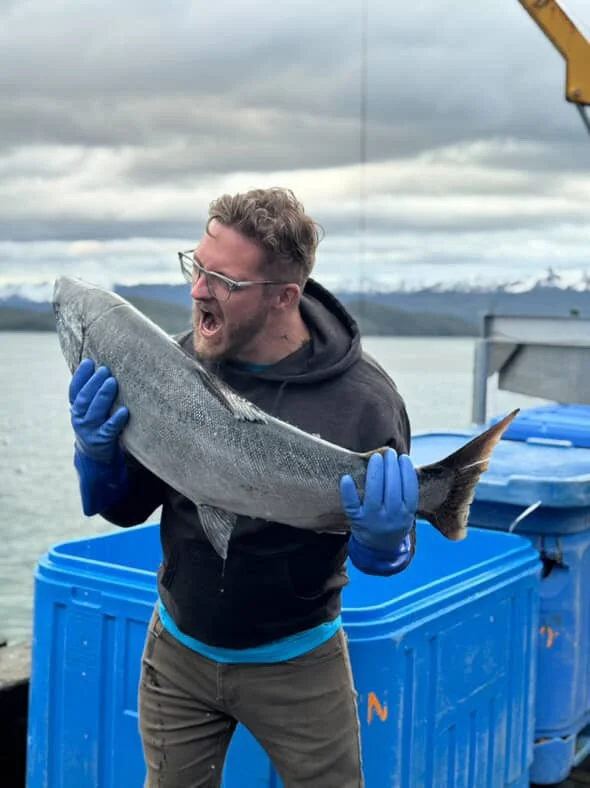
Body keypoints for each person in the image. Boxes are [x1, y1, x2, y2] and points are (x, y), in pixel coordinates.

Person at [67, 187, 419, 788]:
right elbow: (122, 510)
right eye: (196, 266)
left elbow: (382, 554)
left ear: (285, 296)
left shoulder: (364, 403)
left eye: (222, 279)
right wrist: (96, 456)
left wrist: (385, 544)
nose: (198, 289)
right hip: (179, 649)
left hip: (300, 663)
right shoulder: (173, 369)